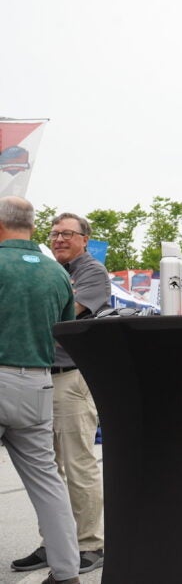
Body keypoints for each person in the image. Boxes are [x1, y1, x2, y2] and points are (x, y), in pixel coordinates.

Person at [13, 213, 109, 575]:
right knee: (47, 471)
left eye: (67, 234)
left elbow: (66, 312)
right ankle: (54, 542)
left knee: (77, 464)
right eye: (54, 234)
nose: (58, 240)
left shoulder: (91, 272)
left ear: (85, 239)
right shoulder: (50, 270)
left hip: (69, 378)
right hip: (40, 376)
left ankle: (89, 544)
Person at [0, 196, 82, 584]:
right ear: (32, 227)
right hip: (38, 381)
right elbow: (64, 331)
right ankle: (67, 572)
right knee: (48, 482)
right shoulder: (57, 274)